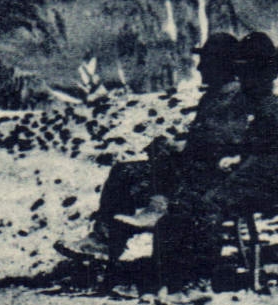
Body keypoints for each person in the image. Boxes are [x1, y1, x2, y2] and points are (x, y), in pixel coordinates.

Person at [55, 34, 249, 263]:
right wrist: (176, 146)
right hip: (189, 166)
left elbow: (228, 142)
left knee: (161, 170)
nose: (200, 66)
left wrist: (180, 148)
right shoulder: (213, 96)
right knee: (124, 172)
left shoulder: (237, 96)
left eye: (206, 60)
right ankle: (103, 241)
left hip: (210, 175)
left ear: (222, 63)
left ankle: (156, 208)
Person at [152, 32, 278, 287]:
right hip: (253, 173)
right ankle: (173, 275)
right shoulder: (259, 103)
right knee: (192, 200)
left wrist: (241, 159)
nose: (242, 78)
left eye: (248, 72)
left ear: (263, 73)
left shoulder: (269, 106)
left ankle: (196, 277)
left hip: (270, 181)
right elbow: (252, 142)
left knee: (206, 203)